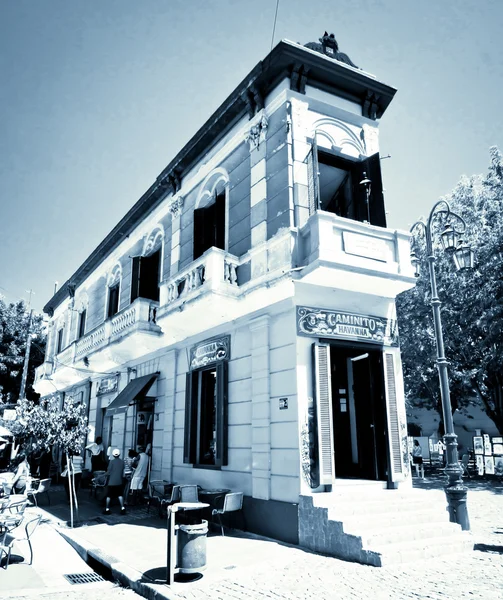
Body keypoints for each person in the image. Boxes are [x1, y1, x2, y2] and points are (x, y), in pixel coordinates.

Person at [104, 448, 126, 515]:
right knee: (120, 495)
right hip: (119, 481)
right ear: (119, 454)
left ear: (113, 455)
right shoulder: (122, 462)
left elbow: (108, 472)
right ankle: (122, 508)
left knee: (109, 495)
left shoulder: (112, 462)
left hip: (112, 481)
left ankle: (107, 509)